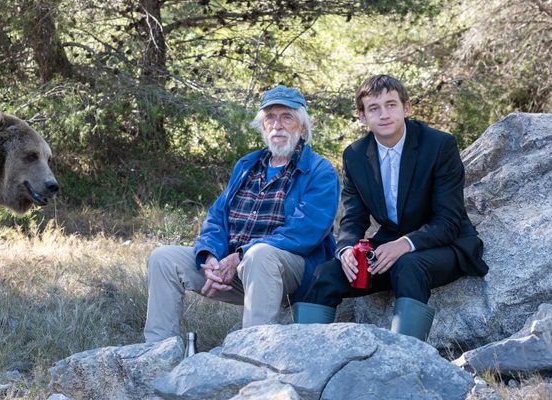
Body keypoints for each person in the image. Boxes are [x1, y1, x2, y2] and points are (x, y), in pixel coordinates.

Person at [293, 75, 489, 341]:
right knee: (325, 273)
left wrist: (404, 244)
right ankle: (303, 356)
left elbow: (449, 219)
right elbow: (353, 219)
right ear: (362, 117)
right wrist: (346, 250)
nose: (384, 114)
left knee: (408, 265)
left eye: (391, 105)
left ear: (406, 108)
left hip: (446, 245)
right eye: (374, 108)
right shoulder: (355, 155)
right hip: (389, 249)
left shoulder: (439, 145)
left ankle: (405, 360)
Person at [143, 85, 340, 342]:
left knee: (259, 255)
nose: (277, 125)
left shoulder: (320, 170)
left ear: (301, 127)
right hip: (237, 267)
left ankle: (251, 354)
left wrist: (240, 255)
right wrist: (211, 256)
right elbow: (218, 217)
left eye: (286, 117)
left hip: (290, 271)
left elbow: (305, 232)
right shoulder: (248, 165)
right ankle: (156, 353)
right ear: (262, 126)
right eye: (270, 117)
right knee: (163, 259)